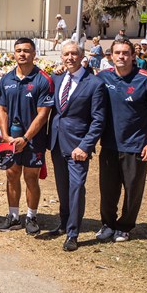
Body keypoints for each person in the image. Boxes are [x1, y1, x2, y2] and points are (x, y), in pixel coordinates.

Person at [96, 39, 147, 242]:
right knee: (107, 189)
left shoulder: (146, 79)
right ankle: (108, 224)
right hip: (109, 144)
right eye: (117, 53)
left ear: (133, 56)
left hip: (136, 145)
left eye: (125, 53)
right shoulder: (102, 77)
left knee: (133, 189)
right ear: (111, 56)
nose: (121, 56)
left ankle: (125, 226)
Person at [50, 40, 107, 251]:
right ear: (61, 57)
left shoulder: (94, 83)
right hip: (57, 142)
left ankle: (73, 233)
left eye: (74, 53)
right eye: (66, 54)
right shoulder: (57, 78)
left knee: (76, 188)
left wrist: (85, 146)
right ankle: (64, 223)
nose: (70, 58)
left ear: (82, 56)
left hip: (78, 146)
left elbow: (98, 120)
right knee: (62, 187)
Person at [0, 38, 54, 235]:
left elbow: (43, 114)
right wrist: (5, 136)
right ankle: (13, 216)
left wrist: (26, 138)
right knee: (11, 175)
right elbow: (2, 109)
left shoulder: (43, 80)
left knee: (31, 177)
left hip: (33, 140)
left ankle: (31, 216)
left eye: (26, 50)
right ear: (14, 54)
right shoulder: (6, 79)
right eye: (19, 50)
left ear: (34, 53)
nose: (22, 54)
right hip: (11, 140)